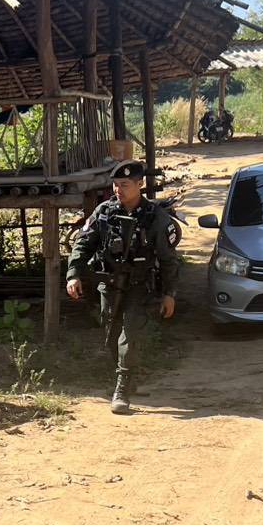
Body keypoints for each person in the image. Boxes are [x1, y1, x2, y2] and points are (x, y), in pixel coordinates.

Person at [65, 161, 179, 414]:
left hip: (139, 285)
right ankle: (127, 377)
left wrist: (169, 294)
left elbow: (168, 260)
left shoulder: (155, 217)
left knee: (130, 334)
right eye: (116, 185)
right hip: (109, 284)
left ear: (139, 184)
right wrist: (73, 274)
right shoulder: (104, 212)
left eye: (124, 185)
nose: (118, 190)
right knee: (111, 334)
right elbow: (83, 244)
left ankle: (122, 389)